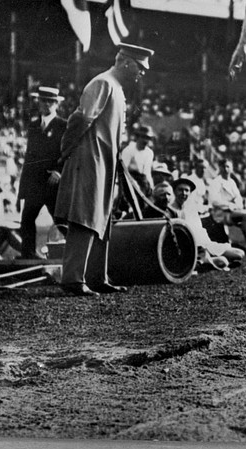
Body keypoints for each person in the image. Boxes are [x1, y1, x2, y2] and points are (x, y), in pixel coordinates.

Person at [54, 43, 154, 296]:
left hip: (106, 161)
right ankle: (73, 279)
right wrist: (65, 151)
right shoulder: (103, 83)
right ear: (126, 62)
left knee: (103, 218)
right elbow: (81, 119)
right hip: (91, 159)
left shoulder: (117, 88)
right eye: (140, 68)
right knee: (86, 217)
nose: (141, 73)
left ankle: (98, 277)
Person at [17, 86, 67, 259]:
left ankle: (80, 255)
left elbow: (70, 152)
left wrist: (59, 172)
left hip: (53, 184)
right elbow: (29, 159)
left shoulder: (63, 125)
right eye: (42, 100)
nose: (45, 104)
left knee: (61, 221)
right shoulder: (33, 125)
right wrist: (22, 191)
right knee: (27, 220)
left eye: (50, 101)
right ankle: (28, 257)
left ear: (56, 104)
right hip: (34, 184)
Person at [171, 177, 244, 270]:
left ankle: (210, 261)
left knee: (239, 254)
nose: (184, 193)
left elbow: (199, 231)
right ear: (174, 191)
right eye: (180, 190)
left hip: (204, 244)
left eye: (186, 190)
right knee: (223, 261)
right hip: (190, 248)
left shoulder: (191, 208)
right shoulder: (172, 210)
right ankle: (209, 262)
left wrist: (207, 246)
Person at [208, 158, 246, 253]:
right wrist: (230, 204)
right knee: (244, 216)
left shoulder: (232, 182)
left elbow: (238, 197)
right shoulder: (216, 182)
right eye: (223, 167)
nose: (226, 169)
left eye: (228, 167)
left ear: (231, 168)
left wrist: (237, 205)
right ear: (220, 168)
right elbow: (214, 201)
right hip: (221, 213)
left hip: (233, 211)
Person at [121, 125, 156, 196]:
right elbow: (123, 170)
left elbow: (147, 172)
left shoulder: (149, 153)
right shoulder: (128, 150)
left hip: (142, 180)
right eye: (143, 137)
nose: (145, 141)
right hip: (128, 179)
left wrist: (151, 186)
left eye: (148, 138)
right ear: (137, 137)